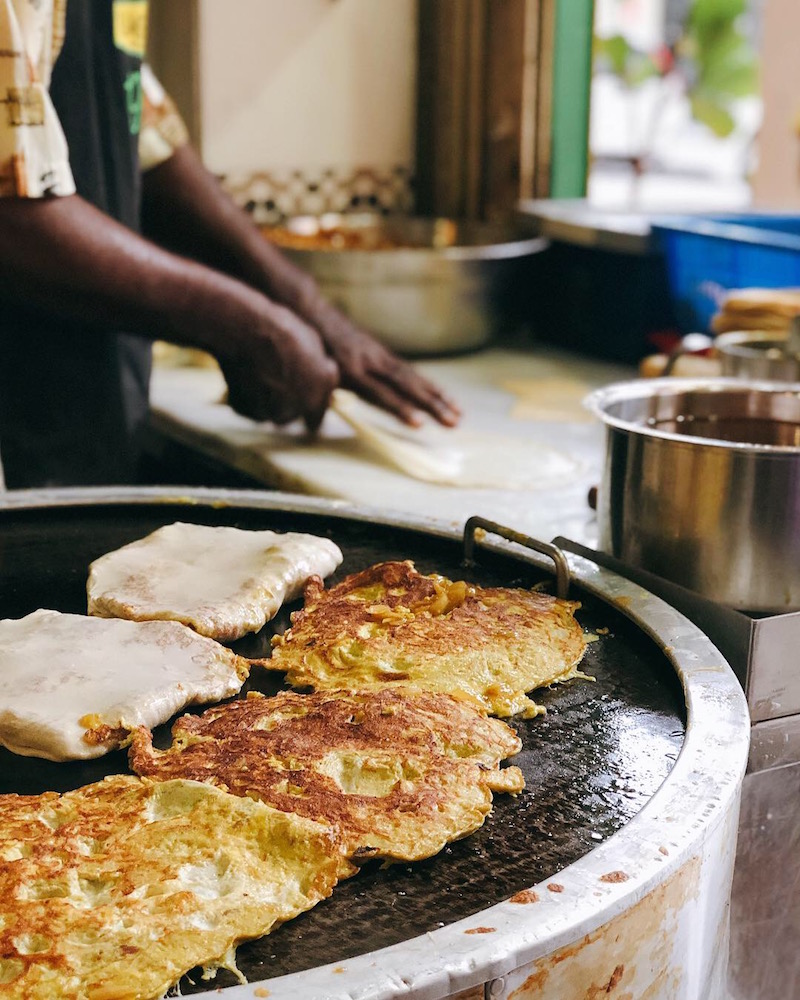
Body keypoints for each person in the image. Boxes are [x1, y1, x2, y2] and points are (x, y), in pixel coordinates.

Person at [0, 0, 459, 490]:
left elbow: (144, 132)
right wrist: (241, 325)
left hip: (80, 417)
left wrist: (306, 307)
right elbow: (13, 214)